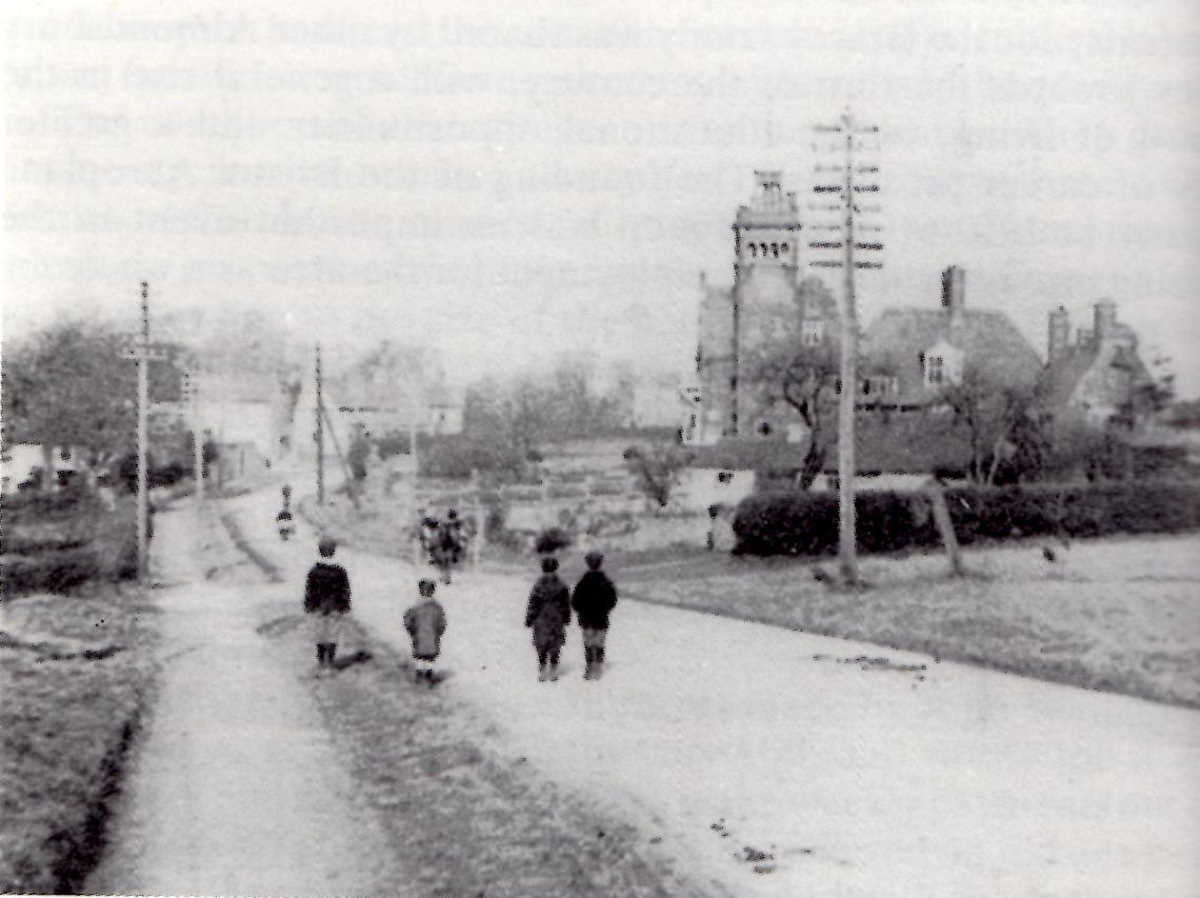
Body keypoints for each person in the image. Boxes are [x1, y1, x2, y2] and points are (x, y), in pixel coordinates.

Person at [303, 537, 352, 675]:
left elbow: (310, 591)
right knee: (333, 634)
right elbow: (345, 590)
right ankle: (329, 663)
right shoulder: (340, 571)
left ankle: (320, 662)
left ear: (319, 551)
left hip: (318, 606)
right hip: (335, 607)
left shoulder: (314, 571)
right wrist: (345, 606)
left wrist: (309, 605)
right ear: (334, 551)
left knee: (319, 634)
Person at [570, 550, 619, 680]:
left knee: (588, 643)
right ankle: (598, 668)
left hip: (586, 619)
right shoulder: (607, 582)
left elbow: (574, 602)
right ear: (600, 564)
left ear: (588, 564)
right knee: (600, 643)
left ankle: (589, 667)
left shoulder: (582, 582)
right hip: (602, 618)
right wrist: (605, 610)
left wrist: (581, 611)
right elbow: (613, 600)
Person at [524, 556, 571, 682]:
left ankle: (543, 670)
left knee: (541, 643)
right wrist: (566, 618)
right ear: (556, 568)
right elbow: (566, 604)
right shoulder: (562, 585)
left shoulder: (538, 584)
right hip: (556, 617)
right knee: (556, 643)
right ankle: (554, 670)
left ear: (543, 568)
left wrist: (529, 619)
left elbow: (533, 603)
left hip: (541, 617)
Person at [403, 578, 447, 686]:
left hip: (419, 636)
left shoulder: (415, 607)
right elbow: (442, 623)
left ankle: (419, 676)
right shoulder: (437, 608)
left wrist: (412, 631)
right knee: (430, 658)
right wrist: (438, 633)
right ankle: (429, 676)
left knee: (419, 656)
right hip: (432, 637)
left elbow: (407, 620)